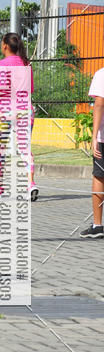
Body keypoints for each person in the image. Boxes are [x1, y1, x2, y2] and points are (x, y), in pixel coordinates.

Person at [0, 32, 38, 201]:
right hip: (25, 110)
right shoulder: (27, 64)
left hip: (5, 112)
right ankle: (31, 184)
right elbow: (30, 89)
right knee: (25, 148)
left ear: (5, 46)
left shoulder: (0, 64)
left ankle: (0, 187)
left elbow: (0, 88)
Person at [80, 65, 104, 238]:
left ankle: (97, 225)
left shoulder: (101, 74)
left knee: (99, 176)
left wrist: (94, 136)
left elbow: (99, 104)